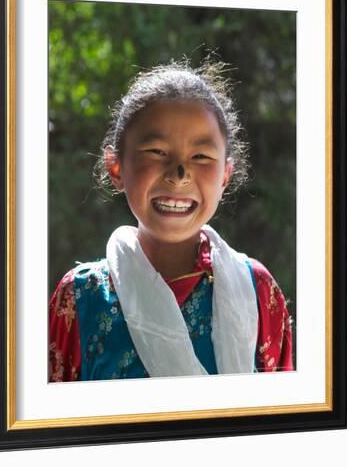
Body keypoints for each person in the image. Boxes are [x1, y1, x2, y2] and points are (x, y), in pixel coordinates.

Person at [49, 60, 293, 382]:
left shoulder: (257, 291)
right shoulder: (81, 298)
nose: (179, 174)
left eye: (201, 156)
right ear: (116, 167)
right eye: (156, 151)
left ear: (225, 175)